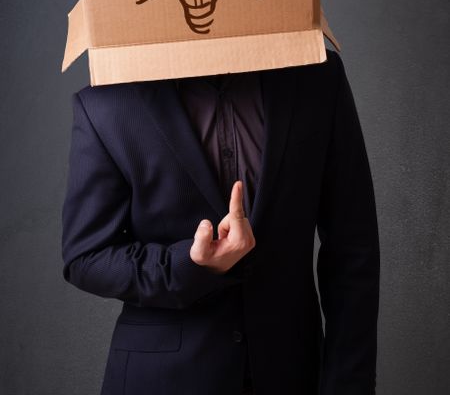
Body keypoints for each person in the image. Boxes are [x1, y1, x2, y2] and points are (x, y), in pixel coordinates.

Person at [61, 48, 380, 395]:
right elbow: (86, 257)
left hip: (293, 373)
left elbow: (353, 247)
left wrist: (349, 384)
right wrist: (188, 265)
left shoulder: (315, 75)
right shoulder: (109, 100)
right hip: (163, 379)